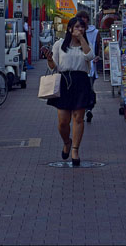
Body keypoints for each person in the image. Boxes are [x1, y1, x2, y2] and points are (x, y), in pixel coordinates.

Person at [44, 16, 94, 166]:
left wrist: (82, 39)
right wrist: (49, 59)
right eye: (77, 27)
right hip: (65, 81)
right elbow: (54, 66)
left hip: (81, 81)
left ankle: (75, 150)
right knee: (63, 122)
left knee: (78, 118)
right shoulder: (60, 44)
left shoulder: (85, 44)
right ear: (70, 29)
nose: (79, 29)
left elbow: (90, 56)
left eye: (82, 27)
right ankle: (67, 142)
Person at [77, 11, 100, 122]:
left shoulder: (94, 32)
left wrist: (97, 56)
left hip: (91, 65)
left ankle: (89, 108)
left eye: (85, 17)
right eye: (81, 17)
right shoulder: (74, 32)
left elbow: (98, 47)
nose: (83, 19)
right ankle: (83, 108)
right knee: (80, 89)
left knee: (89, 88)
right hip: (77, 66)